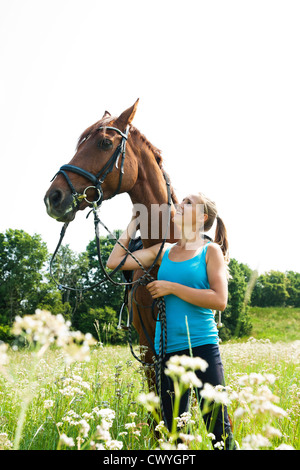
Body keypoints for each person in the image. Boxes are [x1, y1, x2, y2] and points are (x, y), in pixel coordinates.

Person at [107, 192, 235, 450]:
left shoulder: (210, 251)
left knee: (218, 427)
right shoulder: (162, 250)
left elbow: (219, 300)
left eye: (188, 203)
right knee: (172, 431)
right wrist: (133, 222)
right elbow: (115, 261)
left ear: (202, 217)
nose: (179, 204)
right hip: (167, 351)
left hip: (202, 346)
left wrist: (172, 287)